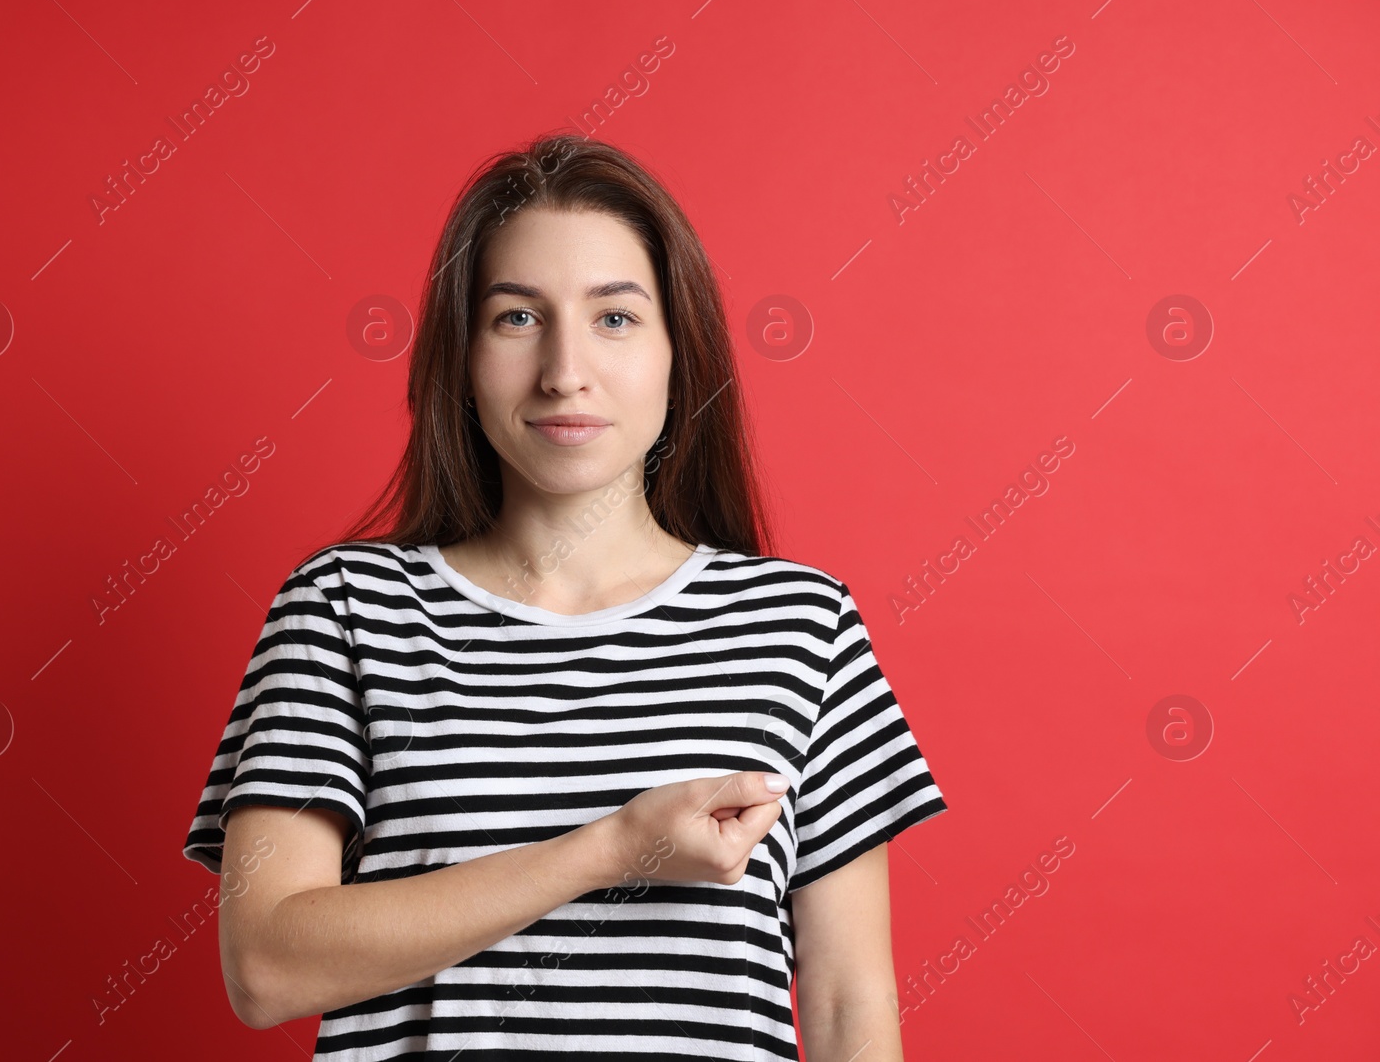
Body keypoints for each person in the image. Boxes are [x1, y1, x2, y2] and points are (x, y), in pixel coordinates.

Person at [181, 131, 949, 1060]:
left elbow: (848, 1006)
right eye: (516, 317)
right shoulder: (346, 609)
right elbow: (264, 967)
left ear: (680, 349)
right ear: (460, 355)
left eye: (615, 317)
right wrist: (612, 850)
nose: (564, 370)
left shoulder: (802, 625)